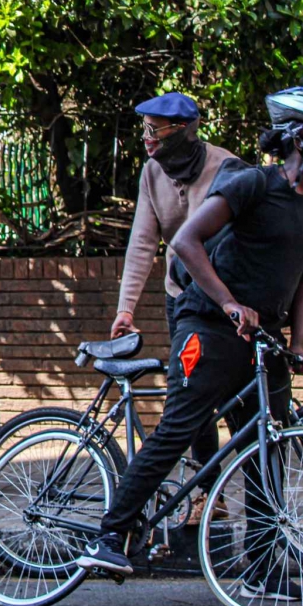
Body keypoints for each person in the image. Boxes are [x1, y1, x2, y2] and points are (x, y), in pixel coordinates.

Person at [78, 87, 303, 602]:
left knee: (266, 447)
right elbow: (181, 243)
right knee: (181, 426)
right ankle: (110, 532)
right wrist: (225, 304)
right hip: (206, 320)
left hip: (263, 335)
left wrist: (300, 341)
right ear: (298, 137)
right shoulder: (251, 183)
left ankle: (264, 566)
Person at [111, 92, 238, 520]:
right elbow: (143, 242)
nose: (146, 139)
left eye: (154, 130)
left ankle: (256, 499)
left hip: (227, 301)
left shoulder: (226, 167)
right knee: (190, 398)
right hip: (182, 302)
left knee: (237, 400)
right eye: (143, 129)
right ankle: (208, 492)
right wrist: (125, 309)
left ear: (182, 130)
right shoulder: (152, 172)